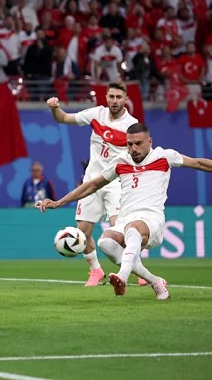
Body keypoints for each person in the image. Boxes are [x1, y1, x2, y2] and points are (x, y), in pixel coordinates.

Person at [37, 123, 212, 300]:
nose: (133, 148)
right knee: (105, 242)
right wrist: (59, 202)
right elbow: (91, 185)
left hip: (152, 220)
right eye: (129, 144)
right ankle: (156, 282)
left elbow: (198, 163)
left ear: (150, 141)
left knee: (133, 228)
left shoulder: (164, 156)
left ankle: (122, 277)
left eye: (138, 143)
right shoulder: (120, 162)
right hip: (126, 219)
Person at [46, 80, 138, 286]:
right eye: (111, 96)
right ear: (106, 97)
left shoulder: (132, 125)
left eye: (119, 97)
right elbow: (63, 118)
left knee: (119, 231)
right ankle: (96, 270)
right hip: (91, 181)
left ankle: (136, 270)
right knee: (83, 231)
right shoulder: (97, 114)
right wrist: (54, 108)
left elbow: (139, 153)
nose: (114, 100)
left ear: (126, 99)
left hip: (115, 183)